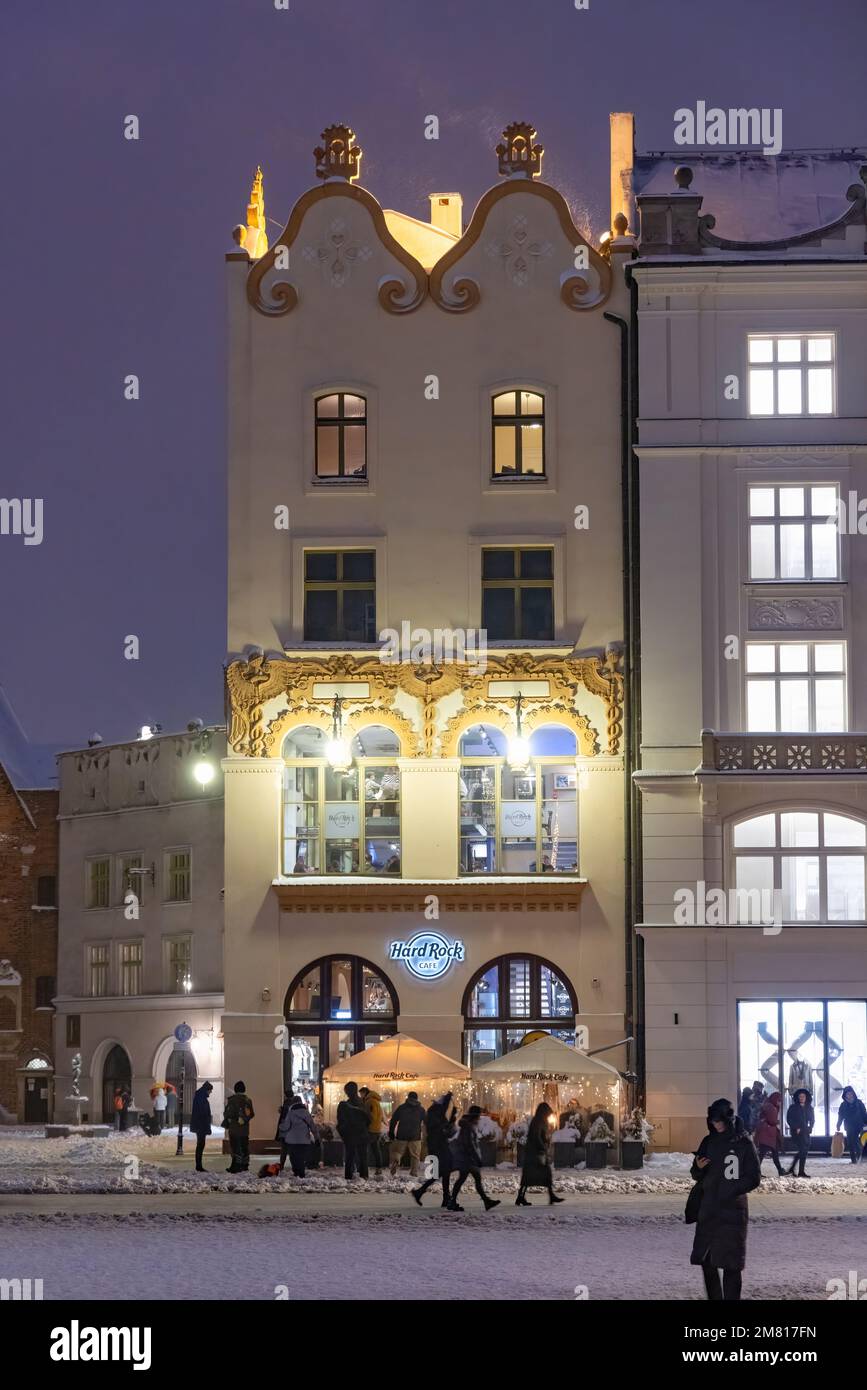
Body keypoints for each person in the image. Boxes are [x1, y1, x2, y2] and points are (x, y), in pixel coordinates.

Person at [689, 1097, 760, 1301]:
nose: (716, 1125)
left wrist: (730, 1189)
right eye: (713, 1121)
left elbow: (754, 1177)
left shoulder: (743, 1143)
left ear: (728, 1119)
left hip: (733, 1211)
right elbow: (696, 1172)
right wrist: (698, 1169)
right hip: (709, 1208)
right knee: (706, 1260)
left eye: (719, 1121)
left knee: (731, 1264)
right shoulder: (708, 1141)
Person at [447, 1105, 500, 1212]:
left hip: (466, 1158)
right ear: (475, 1116)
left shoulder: (468, 1125)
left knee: (464, 1179)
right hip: (468, 1159)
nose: (480, 1118)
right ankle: (486, 1201)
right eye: (479, 1116)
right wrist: (477, 1159)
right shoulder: (469, 1127)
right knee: (473, 1179)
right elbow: (470, 1145)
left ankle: (453, 1202)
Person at [412, 1092, 457, 1207]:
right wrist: (448, 1099)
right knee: (441, 1172)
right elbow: (443, 1130)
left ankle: (444, 1198)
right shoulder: (435, 1116)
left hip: (439, 1147)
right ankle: (421, 1192)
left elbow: (447, 1131)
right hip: (438, 1148)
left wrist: (452, 1118)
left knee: (443, 1172)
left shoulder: (436, 1115)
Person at [516, 1102, 564, 1206]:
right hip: (535, 1153)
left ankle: (550, 1196)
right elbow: (536, 1136)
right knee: (532, 1176)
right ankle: (521, 1197)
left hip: (535, 1152)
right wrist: (542, 1146)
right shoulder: (538, 1121)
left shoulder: (539, 1120)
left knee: (541, 1175)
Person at [277, 1093, 317, 1177]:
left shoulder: (290, 1113)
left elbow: (286, 1126)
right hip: (304, 1139)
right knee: (301, 1157)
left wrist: (281, 1126)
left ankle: (296, 1172)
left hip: (292, 1140)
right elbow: (312, 1126)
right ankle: (301, 1172)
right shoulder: (306, 1113)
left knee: (293, 1157)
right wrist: (316, 1137)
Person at [336, 1082, 370, 1180]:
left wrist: (343, 1132)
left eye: (346, 1091)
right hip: (362, 1134)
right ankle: (364, 1176)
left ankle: (348, 1176)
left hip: (350, 1135)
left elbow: (340, 1120)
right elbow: (369, 1120)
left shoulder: (344, 1105)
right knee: (363, 1156)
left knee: (350, 1156)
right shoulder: (362, 1104)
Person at [388, 1091, 426, 1177]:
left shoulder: (401, 1108)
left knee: (398, 1152)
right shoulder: (421, 1109)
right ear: (417, 1099)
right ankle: (414, 1172)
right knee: (415, 1156)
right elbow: (426, 1122)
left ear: (408, 1098)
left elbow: (393, 1120)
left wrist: (391, 1132)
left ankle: (396, 1163)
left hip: (402, 1134)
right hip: (415, 1136)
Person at [223, 1080, 255, 1173]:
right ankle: (245, 1165)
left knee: (235, 1147)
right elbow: (251, 1114)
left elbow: (228, 1114)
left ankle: (236, 1166)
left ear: (235, 1089)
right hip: (245, 1129)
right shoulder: (248, 1100)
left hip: (234, 1129)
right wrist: (244, 1119)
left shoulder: (232, 1100)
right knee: (244, 1147)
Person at [753, 1090, 784, 1175]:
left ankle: (780, 1170)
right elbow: (772, 1120)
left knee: (770, 1153)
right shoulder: (771, 1107)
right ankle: (755, 1172)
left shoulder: (768, 1105)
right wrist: (777, 1122)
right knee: (764, 1154)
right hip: (767, 1134)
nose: (780, 1103)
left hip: (766, 1134)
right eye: (779, 1100)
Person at [785, 1088, 814, 1177]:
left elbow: (812, 1120)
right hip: (796, 1132)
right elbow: (789, 1119)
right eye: (800, 1096)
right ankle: (800, 1171)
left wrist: (810, 1128)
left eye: (803, 1096)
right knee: (802, 1150)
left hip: (805, 1131)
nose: (801, 1098)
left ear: (806, 1097)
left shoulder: (809, 1107)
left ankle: (792, 1169)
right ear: (797, 1098)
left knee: (803, 1151)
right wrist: (796, 1127)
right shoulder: (793, 1107)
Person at [836, 1086, 867, 1164]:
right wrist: (838, 1125)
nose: (849, 1095)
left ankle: (860, 1157)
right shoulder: (843, 1105)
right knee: (850, 1143)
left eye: (851, 1093)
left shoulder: (859, 1103)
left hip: (859, 1125)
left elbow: (864, 1114)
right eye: (848, 1094)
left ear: (853, 1094)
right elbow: (840, 1116)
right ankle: (853, 1160)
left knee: (857, 1141)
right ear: (845, 1095)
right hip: (849, 1126)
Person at [359, 1087, 386, 1177]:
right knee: (376, 1149)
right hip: (377, 1129)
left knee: (364, 1149)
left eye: (361, 1094)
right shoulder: (376, 1101)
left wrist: (365, 1122)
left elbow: (371, 1116)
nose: (360, 1096)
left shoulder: (369, 1101)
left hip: (371, 1129)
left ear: (365, 1092)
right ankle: (378, 1168)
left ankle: (363, 1169)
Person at [190, 1081, 213, 1172]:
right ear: (207, 1090)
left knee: (200, 1144)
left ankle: (199, 1165)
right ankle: (199, 1166)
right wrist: (206, 1125)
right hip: (201, 1125)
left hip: (200, 1125)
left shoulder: (200, 1096)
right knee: (200, 1144)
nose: (210, 1093)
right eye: (210, 1091)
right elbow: (203, 1113)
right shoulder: (201, 1098)